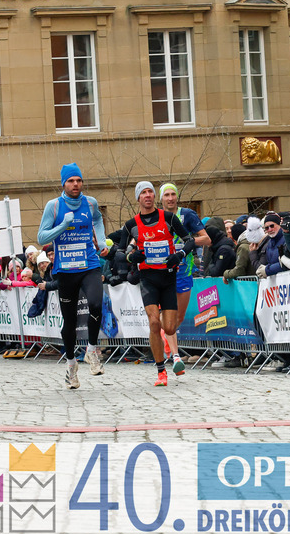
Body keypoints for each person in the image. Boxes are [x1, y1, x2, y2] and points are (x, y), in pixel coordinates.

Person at [36, 163, 109, 389]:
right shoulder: (54, 206)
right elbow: (41, 237)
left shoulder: (90, 203)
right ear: (63, 184)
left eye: (78, 180)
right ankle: (70, 365)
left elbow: (98, 219)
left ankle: (92, 350)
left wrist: (101, 240)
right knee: (69, 322)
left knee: (96, 304)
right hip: (66, 270)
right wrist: (63, 225)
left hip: (89, 264)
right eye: (71, 181)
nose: (75, 184)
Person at [117, 181, 195, 387]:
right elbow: (120, 253)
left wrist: (179, 255)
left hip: (168, 278)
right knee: (153, 322)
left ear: (154, 197)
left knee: (169, 327)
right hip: (148, 279)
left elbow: (189, 240)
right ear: (138, 198)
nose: (147, 195)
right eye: (143, 192)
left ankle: (169, 351)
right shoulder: (131, 225)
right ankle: (161, 371)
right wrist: (132, 257)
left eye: (150, 192)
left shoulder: (168, 218)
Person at [157, 183, 210, 375]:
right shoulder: (156, 217)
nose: (170, 198)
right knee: (168, 314)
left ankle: (164, 334)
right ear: (161, 199)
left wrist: (187, 242)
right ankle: (176, 356)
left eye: (173, 194)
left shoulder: (187, 215)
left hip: (184, 271)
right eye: (167, 195)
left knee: (178, 317)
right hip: (163, 271)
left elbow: (207, 239)